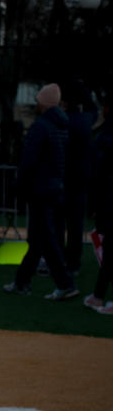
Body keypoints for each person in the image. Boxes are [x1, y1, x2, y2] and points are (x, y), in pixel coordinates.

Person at [3, 83, 79, 300]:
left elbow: (29, 160)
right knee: (39, 238)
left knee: (44, 238)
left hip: (40, 189)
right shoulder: (61, 127)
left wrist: (19, 184)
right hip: (54, 187)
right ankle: (21, 281)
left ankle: (64, 283)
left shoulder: (41, 127)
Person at [61, 80, 96, 275]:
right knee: (75, 225)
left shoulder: (63, 121)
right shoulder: (85, 121)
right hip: (80, 180)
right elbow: (93, 110)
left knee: (58, 222)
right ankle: (73, 261)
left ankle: (59, 259)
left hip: (63, 178)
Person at [84, 90, 113, 314]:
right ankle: (98, 295)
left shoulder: (104, 138)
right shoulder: (103, 136)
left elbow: (98, 174)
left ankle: (99, 295)